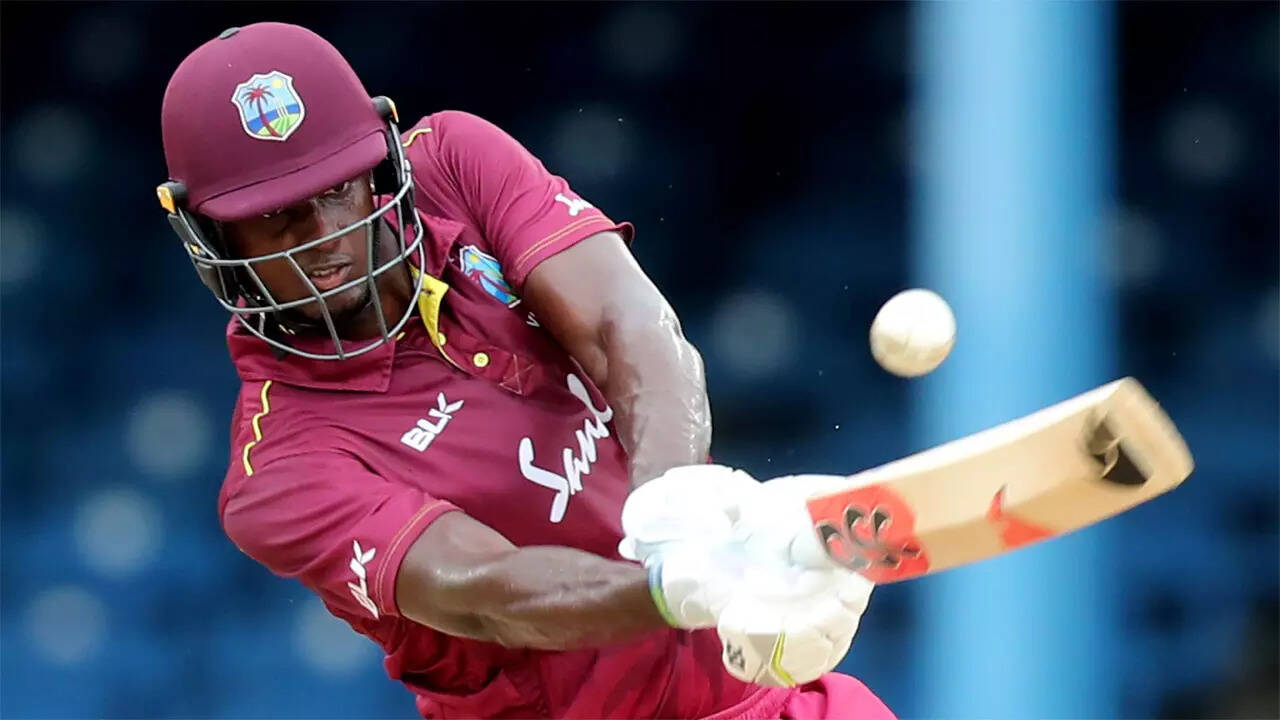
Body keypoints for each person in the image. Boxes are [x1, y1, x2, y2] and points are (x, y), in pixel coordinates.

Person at [156, 22, 893, 719]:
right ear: (211, 233)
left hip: (767, 697)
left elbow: (626, 326)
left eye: (337, 189)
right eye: (278, 216)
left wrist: (678, 507)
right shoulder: (277, 473)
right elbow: (488, 594)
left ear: (378, 165)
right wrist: (681, 585)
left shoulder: (452, 162)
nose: (326, 235)